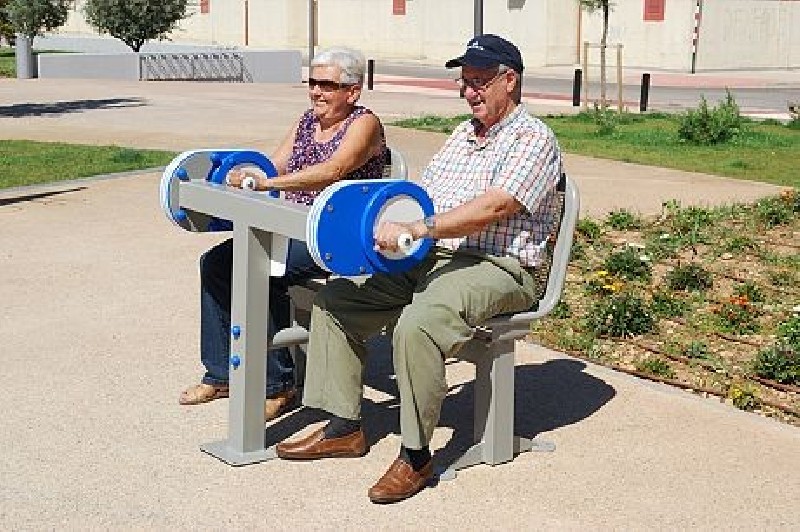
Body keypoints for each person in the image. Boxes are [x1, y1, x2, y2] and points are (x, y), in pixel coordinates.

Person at [275, 34, 564, 503]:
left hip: (501, 265)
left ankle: (416, 455)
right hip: (436, 255)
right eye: (464, 82)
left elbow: (495, 206)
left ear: (509, 81)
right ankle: (344, 426)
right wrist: (386, 223)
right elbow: (422, 195)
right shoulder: (461, 135)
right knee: (336, 301)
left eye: (480, 81)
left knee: (419, 324)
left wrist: (421, 227)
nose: (470, 91)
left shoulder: (533, 139)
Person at [178, 47, 387, 422]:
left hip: (333, 235)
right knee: (215, 263)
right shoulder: (308, 120)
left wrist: (269, 183)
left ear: (352, 91)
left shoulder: (364, 124)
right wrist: (243, 174)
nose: (316, 92)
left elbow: (334, 169)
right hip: (290, 225)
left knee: (262, 269)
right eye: (313, 82)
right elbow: (276, 161)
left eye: (327, 84)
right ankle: (221, 373)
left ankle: (279, 385)